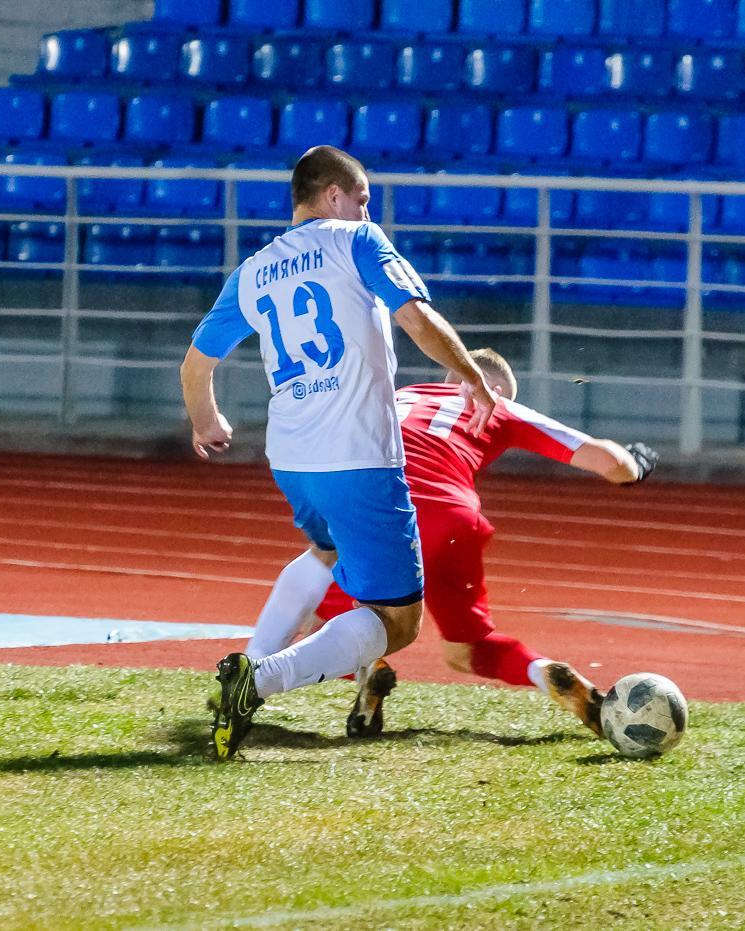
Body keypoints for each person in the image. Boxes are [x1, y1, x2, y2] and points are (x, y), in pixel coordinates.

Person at [181, 145, 497, 759]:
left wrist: (207, 422)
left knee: (325, 550)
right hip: (357, 455)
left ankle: (245, 667)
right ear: (334, 195)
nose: (365, 210)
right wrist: (470, 374)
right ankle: (258, 679)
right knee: (398, 621)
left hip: (292, 458)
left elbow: (196, 366)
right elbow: (416, 316)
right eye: (362, 199)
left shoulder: (254, 269)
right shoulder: (356, 241)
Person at [242, 348, 659, 740]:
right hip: (456, 519)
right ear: (494, 389)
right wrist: (635, 465)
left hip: (387, 507)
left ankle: (352, 670)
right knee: (467, 649)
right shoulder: (504, 408)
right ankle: (543, 670)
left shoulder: (405, 394)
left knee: (333, 610)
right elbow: (609, 462)